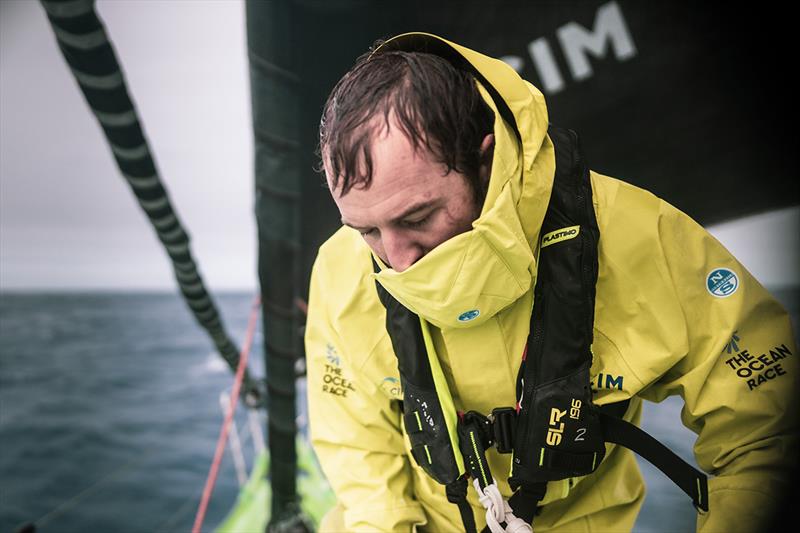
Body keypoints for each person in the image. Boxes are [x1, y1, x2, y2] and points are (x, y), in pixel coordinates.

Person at [305, 32, 798, 532]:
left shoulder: (639, 238)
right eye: (367, 230)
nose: (397, 260)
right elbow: (356, 443)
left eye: (418, 217)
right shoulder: (340, 272)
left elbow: (765, 431)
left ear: (484, 160)